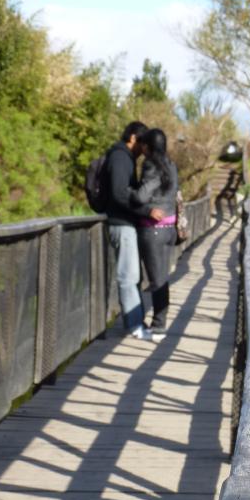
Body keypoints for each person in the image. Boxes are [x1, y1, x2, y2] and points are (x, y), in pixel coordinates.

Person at [127, 128, 179, 342]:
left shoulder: (151, 165)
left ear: (147, 147)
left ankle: (158, 328)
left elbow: (141, 196)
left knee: (156, 279)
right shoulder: (171, 165)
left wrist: (126, 192)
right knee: (162, 277)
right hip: (170, 229)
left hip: (153, 229)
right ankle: (160, 323)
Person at [103, 120, 153, 340]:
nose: (144, 150)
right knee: (128, 276)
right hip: (121, 224)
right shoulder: (120, 158)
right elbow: (119, 193)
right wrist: (145, 211)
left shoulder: (124, 158)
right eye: (142, 144)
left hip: (125, 224)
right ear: (133, 138)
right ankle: (134, 325)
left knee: (133, 275)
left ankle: (137, 322)